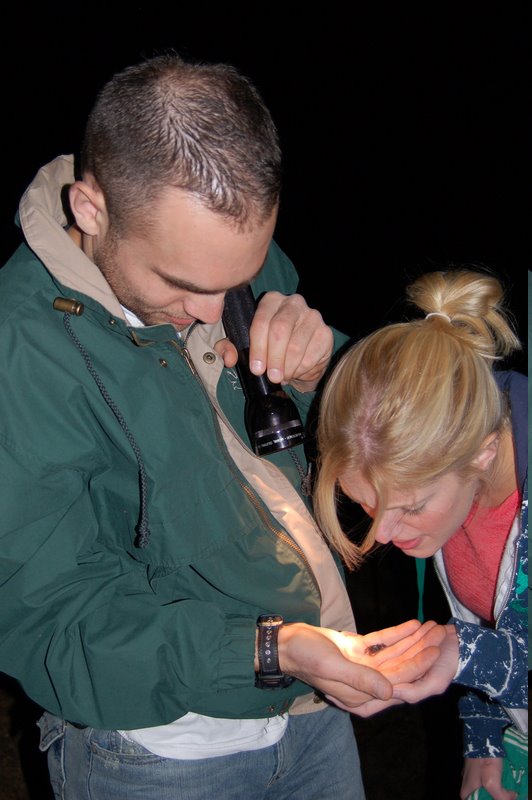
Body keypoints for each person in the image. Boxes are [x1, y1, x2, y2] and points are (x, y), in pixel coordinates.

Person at [0, 52, 445, 800]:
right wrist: (266, 652)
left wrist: (317, 376)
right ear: (90, 209)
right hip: (153, 755)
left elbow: (296, 455)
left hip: (307, 715)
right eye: (183, 285)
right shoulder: (23, 350)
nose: (214, 310)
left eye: (236, 277)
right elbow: (53, 622)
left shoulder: (226, 266)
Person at [313, 268, 528, 800]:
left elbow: (482, 642)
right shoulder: (451, 484)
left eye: (409, 508)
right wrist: (483, 739)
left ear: (482, 450)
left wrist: (465, 654)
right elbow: (486, 618)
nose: (384, 533)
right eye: (365, 503)